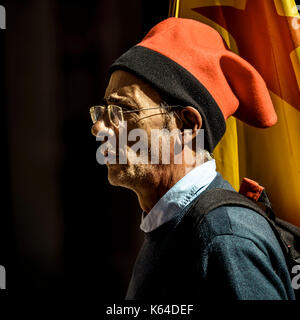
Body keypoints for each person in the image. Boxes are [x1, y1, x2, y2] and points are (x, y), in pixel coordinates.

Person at [90, 18, 295, 300]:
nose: (99, 127)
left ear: (187, 126)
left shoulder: (225, 239)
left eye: (122, 111)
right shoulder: (173, 226)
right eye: (101, 112)